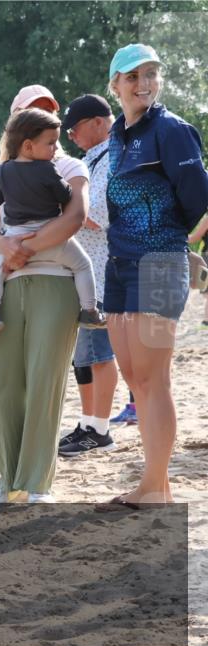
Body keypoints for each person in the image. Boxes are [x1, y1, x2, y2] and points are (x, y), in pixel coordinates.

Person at [97, 45, 208, 509]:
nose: (144, 83)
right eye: (134, 76)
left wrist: (183, 248)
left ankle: (156, 487)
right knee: (134, 378)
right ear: (115, 85)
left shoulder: (172, 130)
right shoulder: (117, 135)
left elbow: (200, 203)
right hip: (119, 267)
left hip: (160, 264)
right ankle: (154, 484)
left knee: (154, 378)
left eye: (151, 74)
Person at [0, 85, 92, 503]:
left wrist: (24, 247)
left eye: (46, 110)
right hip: (6, 281)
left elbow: (75, 215)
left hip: (56, 280)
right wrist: (3, 246)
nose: (40, 115)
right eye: (29, 111)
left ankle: (36, 483)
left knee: (45, 382)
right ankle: (7, 480)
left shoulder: (68, 165)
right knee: (1, 383)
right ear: (16, 125)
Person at [0, 108, 105, 344]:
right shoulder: (49, 169)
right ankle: (90, 310)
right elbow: (64, 195)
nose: (55, 149)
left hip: (14, 237)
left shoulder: (2, 170)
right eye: (51, 143)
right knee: (83, 265)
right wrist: (64, 186)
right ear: (29, 145)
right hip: (50, 237)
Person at [58, 94, 120, 457]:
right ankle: (88, 422)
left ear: (99, 122)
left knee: (99, 351)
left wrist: (59, 201)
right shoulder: (92, 159)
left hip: (101, 267)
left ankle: (101, 428)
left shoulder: (111, 158)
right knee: (83, 354)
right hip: (86, 269)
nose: (70, 136)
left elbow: (95, 213)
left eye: (74, 128)